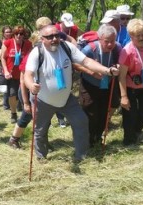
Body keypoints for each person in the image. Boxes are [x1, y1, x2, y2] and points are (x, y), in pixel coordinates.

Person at [24, 25, 119, 162]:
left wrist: (106, 71)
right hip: (43, 100)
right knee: (40, 130)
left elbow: (86, 61)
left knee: (81, 121)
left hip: (66, 99)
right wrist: (31, 86)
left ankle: (82, 156)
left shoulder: (67, 47)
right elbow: (28, 74)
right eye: (50, 37)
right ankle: (41, 156)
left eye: (56, 35)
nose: (54, 39)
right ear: (42, 39)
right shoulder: (37, 52)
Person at [74, 24, 122, 147]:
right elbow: (76, 64)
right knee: (90, 113)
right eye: (107, 42)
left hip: (107, 85)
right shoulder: (90, 49)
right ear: (99, 39)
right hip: (90, 85)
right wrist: (91, 72)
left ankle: (97, 137)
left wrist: (117, 67)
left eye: (113, 41)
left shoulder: (117, 48)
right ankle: (87, 139)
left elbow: (120, 63)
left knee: (103, 113)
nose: (110, 44)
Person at [118, 19, 143, 146]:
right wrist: (123, 97)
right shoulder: (126, 52)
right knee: (130, 115)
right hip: (130, 87)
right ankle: (129, 141)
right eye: (137, 35)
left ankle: (137, 130)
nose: (141, 38)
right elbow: (121, 76)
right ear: (131, 36)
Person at [0, 25, 32, 123]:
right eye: (16, 34)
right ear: (13, 34)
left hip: (24, 74)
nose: (18, 36)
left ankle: (27, 112)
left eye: (21, 34)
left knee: (24, 95)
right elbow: (3, 58)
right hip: (12, 74)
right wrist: (5, 70)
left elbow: (31, 58)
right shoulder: (8, 43)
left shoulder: (28, 44)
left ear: (24, 35)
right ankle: (13, 113)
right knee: (12, 94)